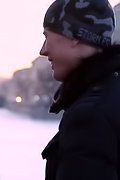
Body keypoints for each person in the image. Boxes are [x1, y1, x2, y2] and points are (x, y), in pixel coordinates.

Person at [39, 0, 120, 179]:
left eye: (47, 36)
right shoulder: (112, 95)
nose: (42, 50)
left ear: (74, 36)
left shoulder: (91, 115)